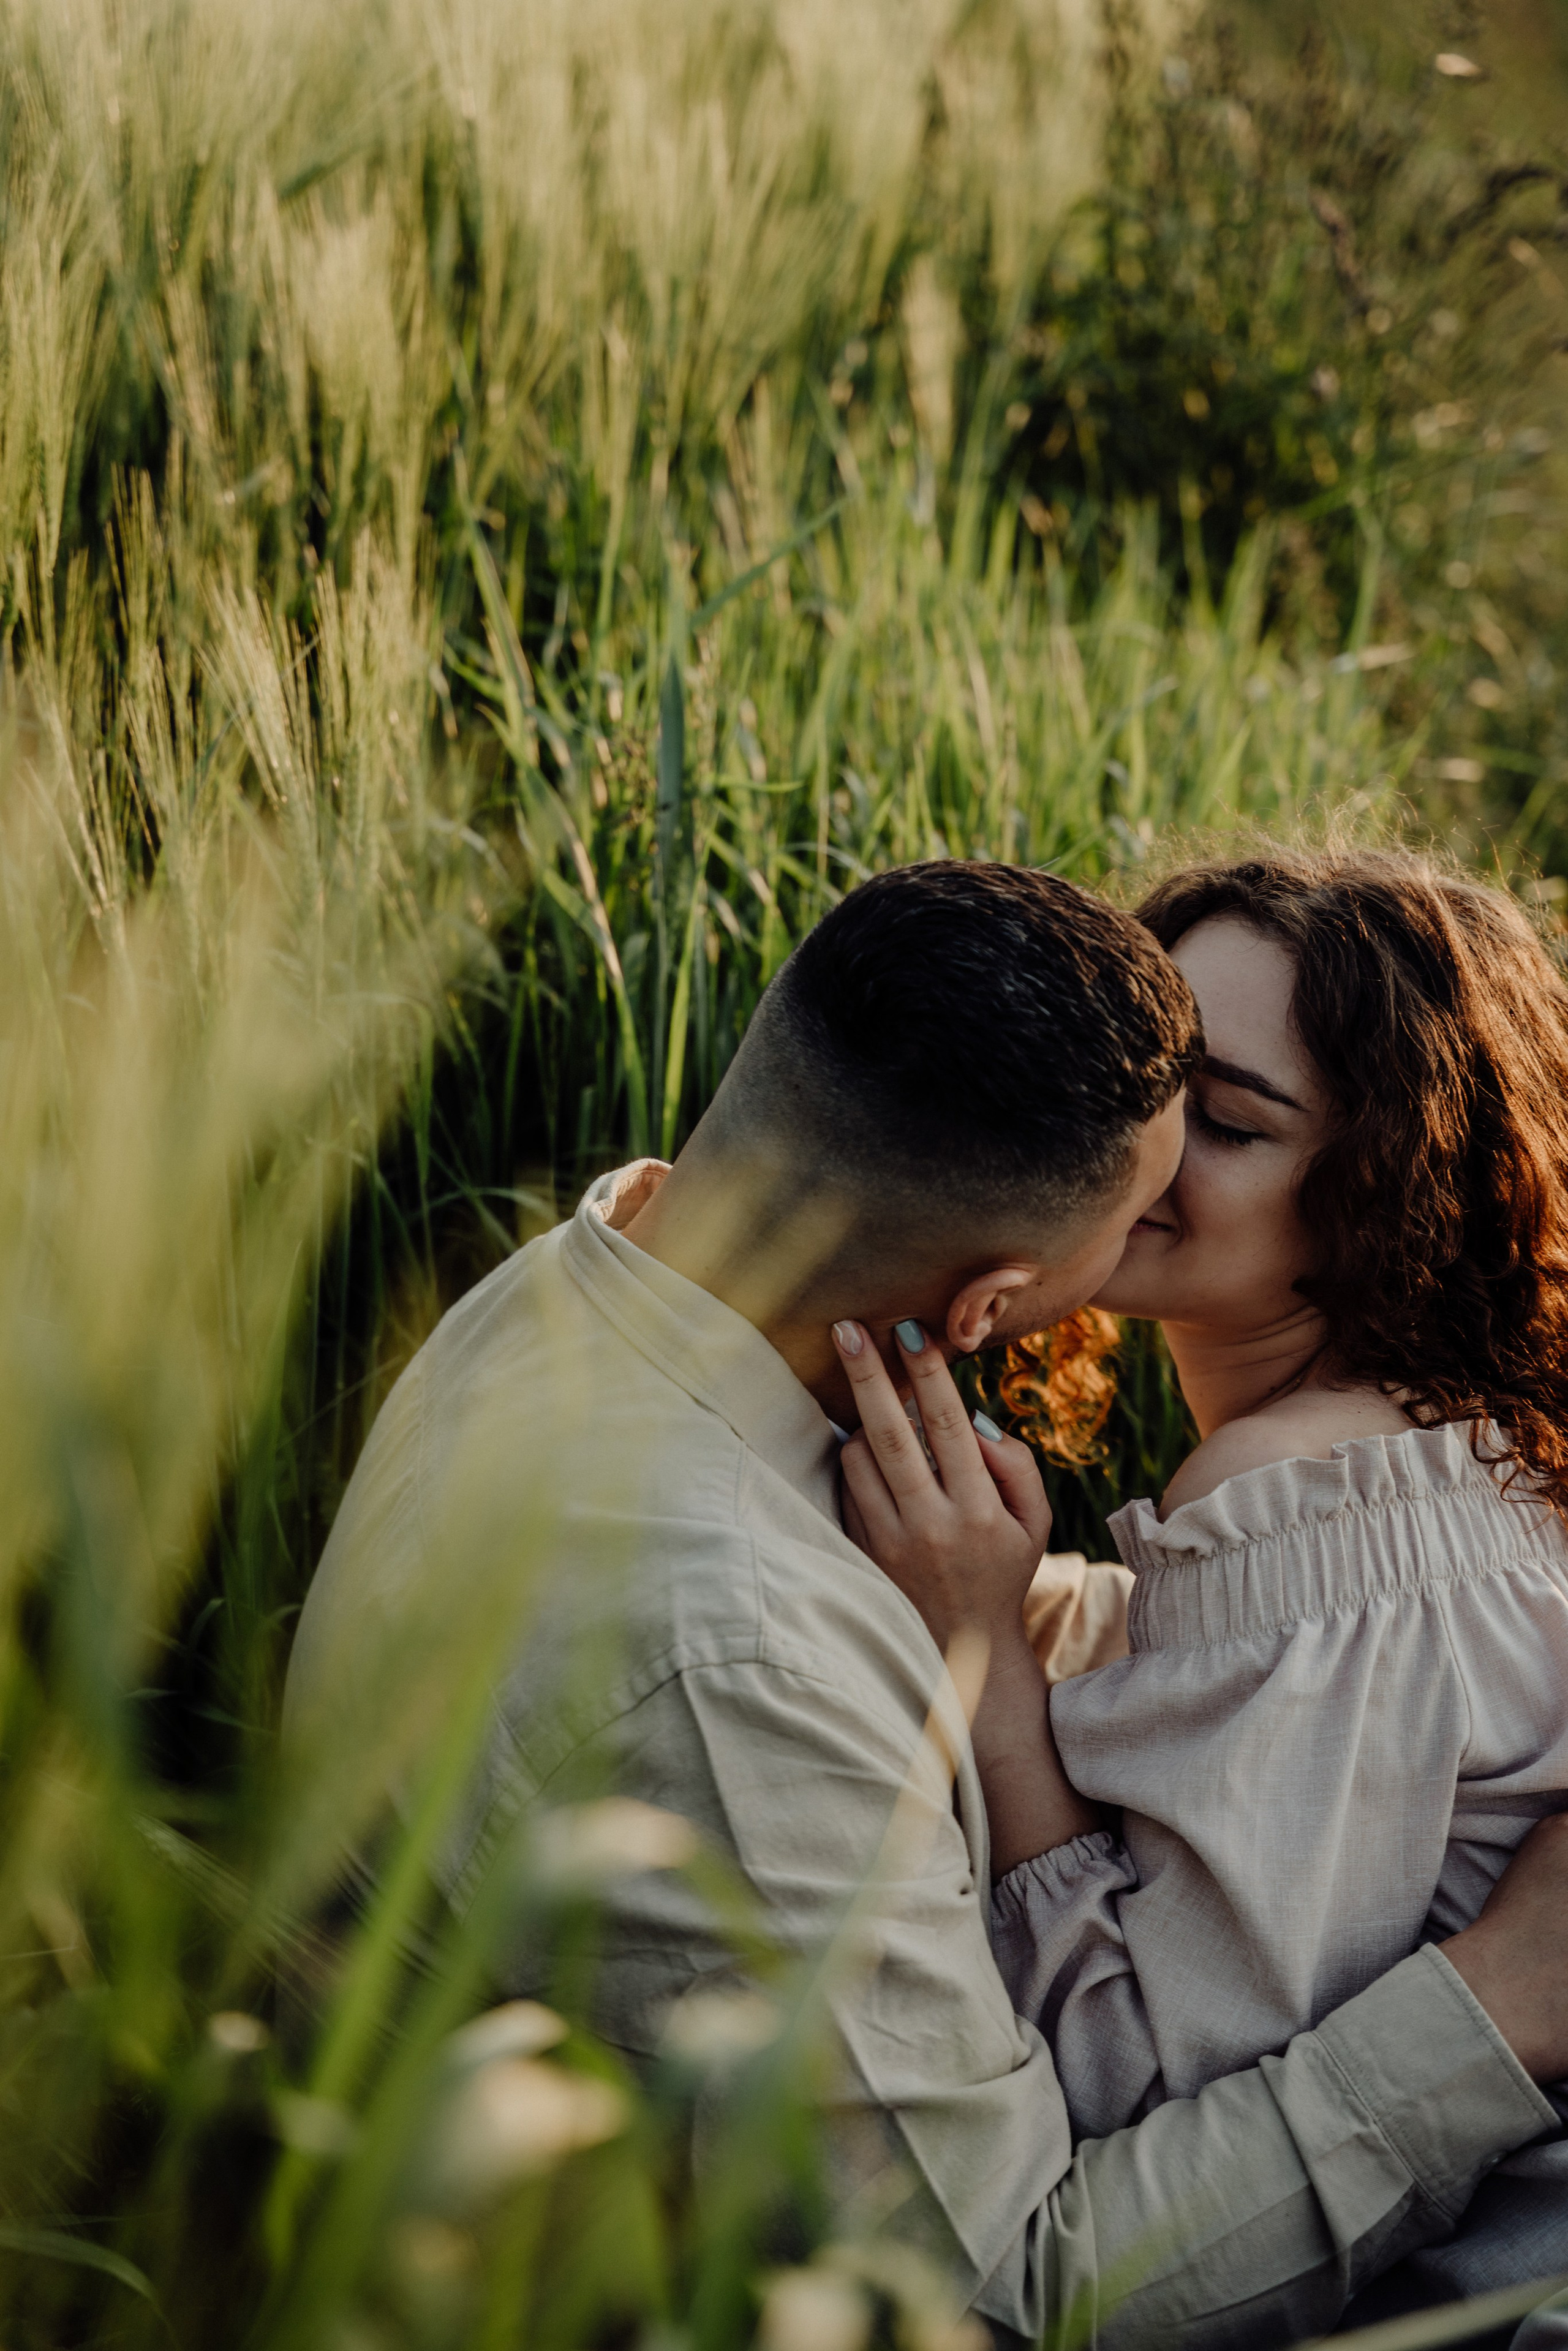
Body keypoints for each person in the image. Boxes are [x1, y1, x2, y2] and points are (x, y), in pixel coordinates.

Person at [284, 859, 1568, 2350]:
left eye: (1217, 1122)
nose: (1152, 1183)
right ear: (985, 1309)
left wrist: (1008, 1636)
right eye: (1163, 1131)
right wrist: (1502, 2003)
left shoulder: (576, 1292)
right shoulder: (734, 1649)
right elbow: (999, 2302)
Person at [839, 849, 1568, 2333]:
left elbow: (1128, 2092)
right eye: (1142, 1088)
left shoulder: (1310, 1493)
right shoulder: (1470, 1453)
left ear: (1389, 1187)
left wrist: (986, 1662)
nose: (1146, 1154)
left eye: (1225, 1123)